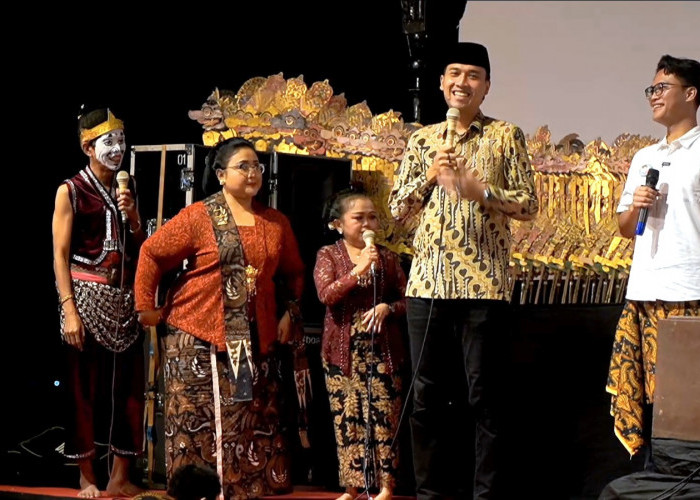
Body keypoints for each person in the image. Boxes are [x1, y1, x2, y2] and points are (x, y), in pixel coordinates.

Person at [388, 42, 538, 499]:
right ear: (440, 82)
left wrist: (482, 191)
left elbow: (529, 205)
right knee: (427, 400)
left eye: (474, 75)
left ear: (487, 86)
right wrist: (429, 177)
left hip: (484, 285)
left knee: (485, 399)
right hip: (429, 284)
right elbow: (396, 210)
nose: (462, 82)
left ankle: (486, 495)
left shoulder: (505, 136)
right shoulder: (421, 140)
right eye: (454, 72)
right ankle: (432, 494)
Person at [134, 137, 305, 499]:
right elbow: (151, 252)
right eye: (243, 166)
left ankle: (238, 493)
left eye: (257, 166)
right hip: (196, 333)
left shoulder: (275, 222)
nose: (253, 172)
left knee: (245, 424)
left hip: (249, 341)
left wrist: (291, 311)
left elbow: (293, 273)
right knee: (197, 427)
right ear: (220, 174)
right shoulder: (200, 216)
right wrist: (144, 306)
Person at [606, 55, 699, 460]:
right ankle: (658, 471)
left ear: (691, 94)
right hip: (645, 289)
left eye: (663, 88)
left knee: (688, 391)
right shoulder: (644, 157)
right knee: (650, 393)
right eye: (651, 89)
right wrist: (636, 203)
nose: (654, 96)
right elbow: (626, 228)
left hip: (690, 289)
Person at [52, 108, 146, 498]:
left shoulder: (129, 187)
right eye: (109, 141)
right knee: (82, 390)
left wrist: (134, 216)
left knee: (130, 390)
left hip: (124, 299)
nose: (118, 149)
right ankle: (87, 477)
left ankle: (120, 476)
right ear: (88, 146)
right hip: (86, 297)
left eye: (121, 141)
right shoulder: (70, 189)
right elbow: (59, 254)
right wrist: (68, 309)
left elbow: (140, 246)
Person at [313, 190, 407, 500]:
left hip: (382, 352)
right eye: (358, 218)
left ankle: (386, 487)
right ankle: (351, 487)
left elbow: (410, 299)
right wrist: (358, 270)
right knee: (347, 419)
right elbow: (326, 295)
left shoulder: (389, 257)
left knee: (383, 418)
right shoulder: (328, 255)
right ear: (338, 224)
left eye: (371, 217)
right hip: (342, 352)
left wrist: (388, 308)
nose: (367, 223)